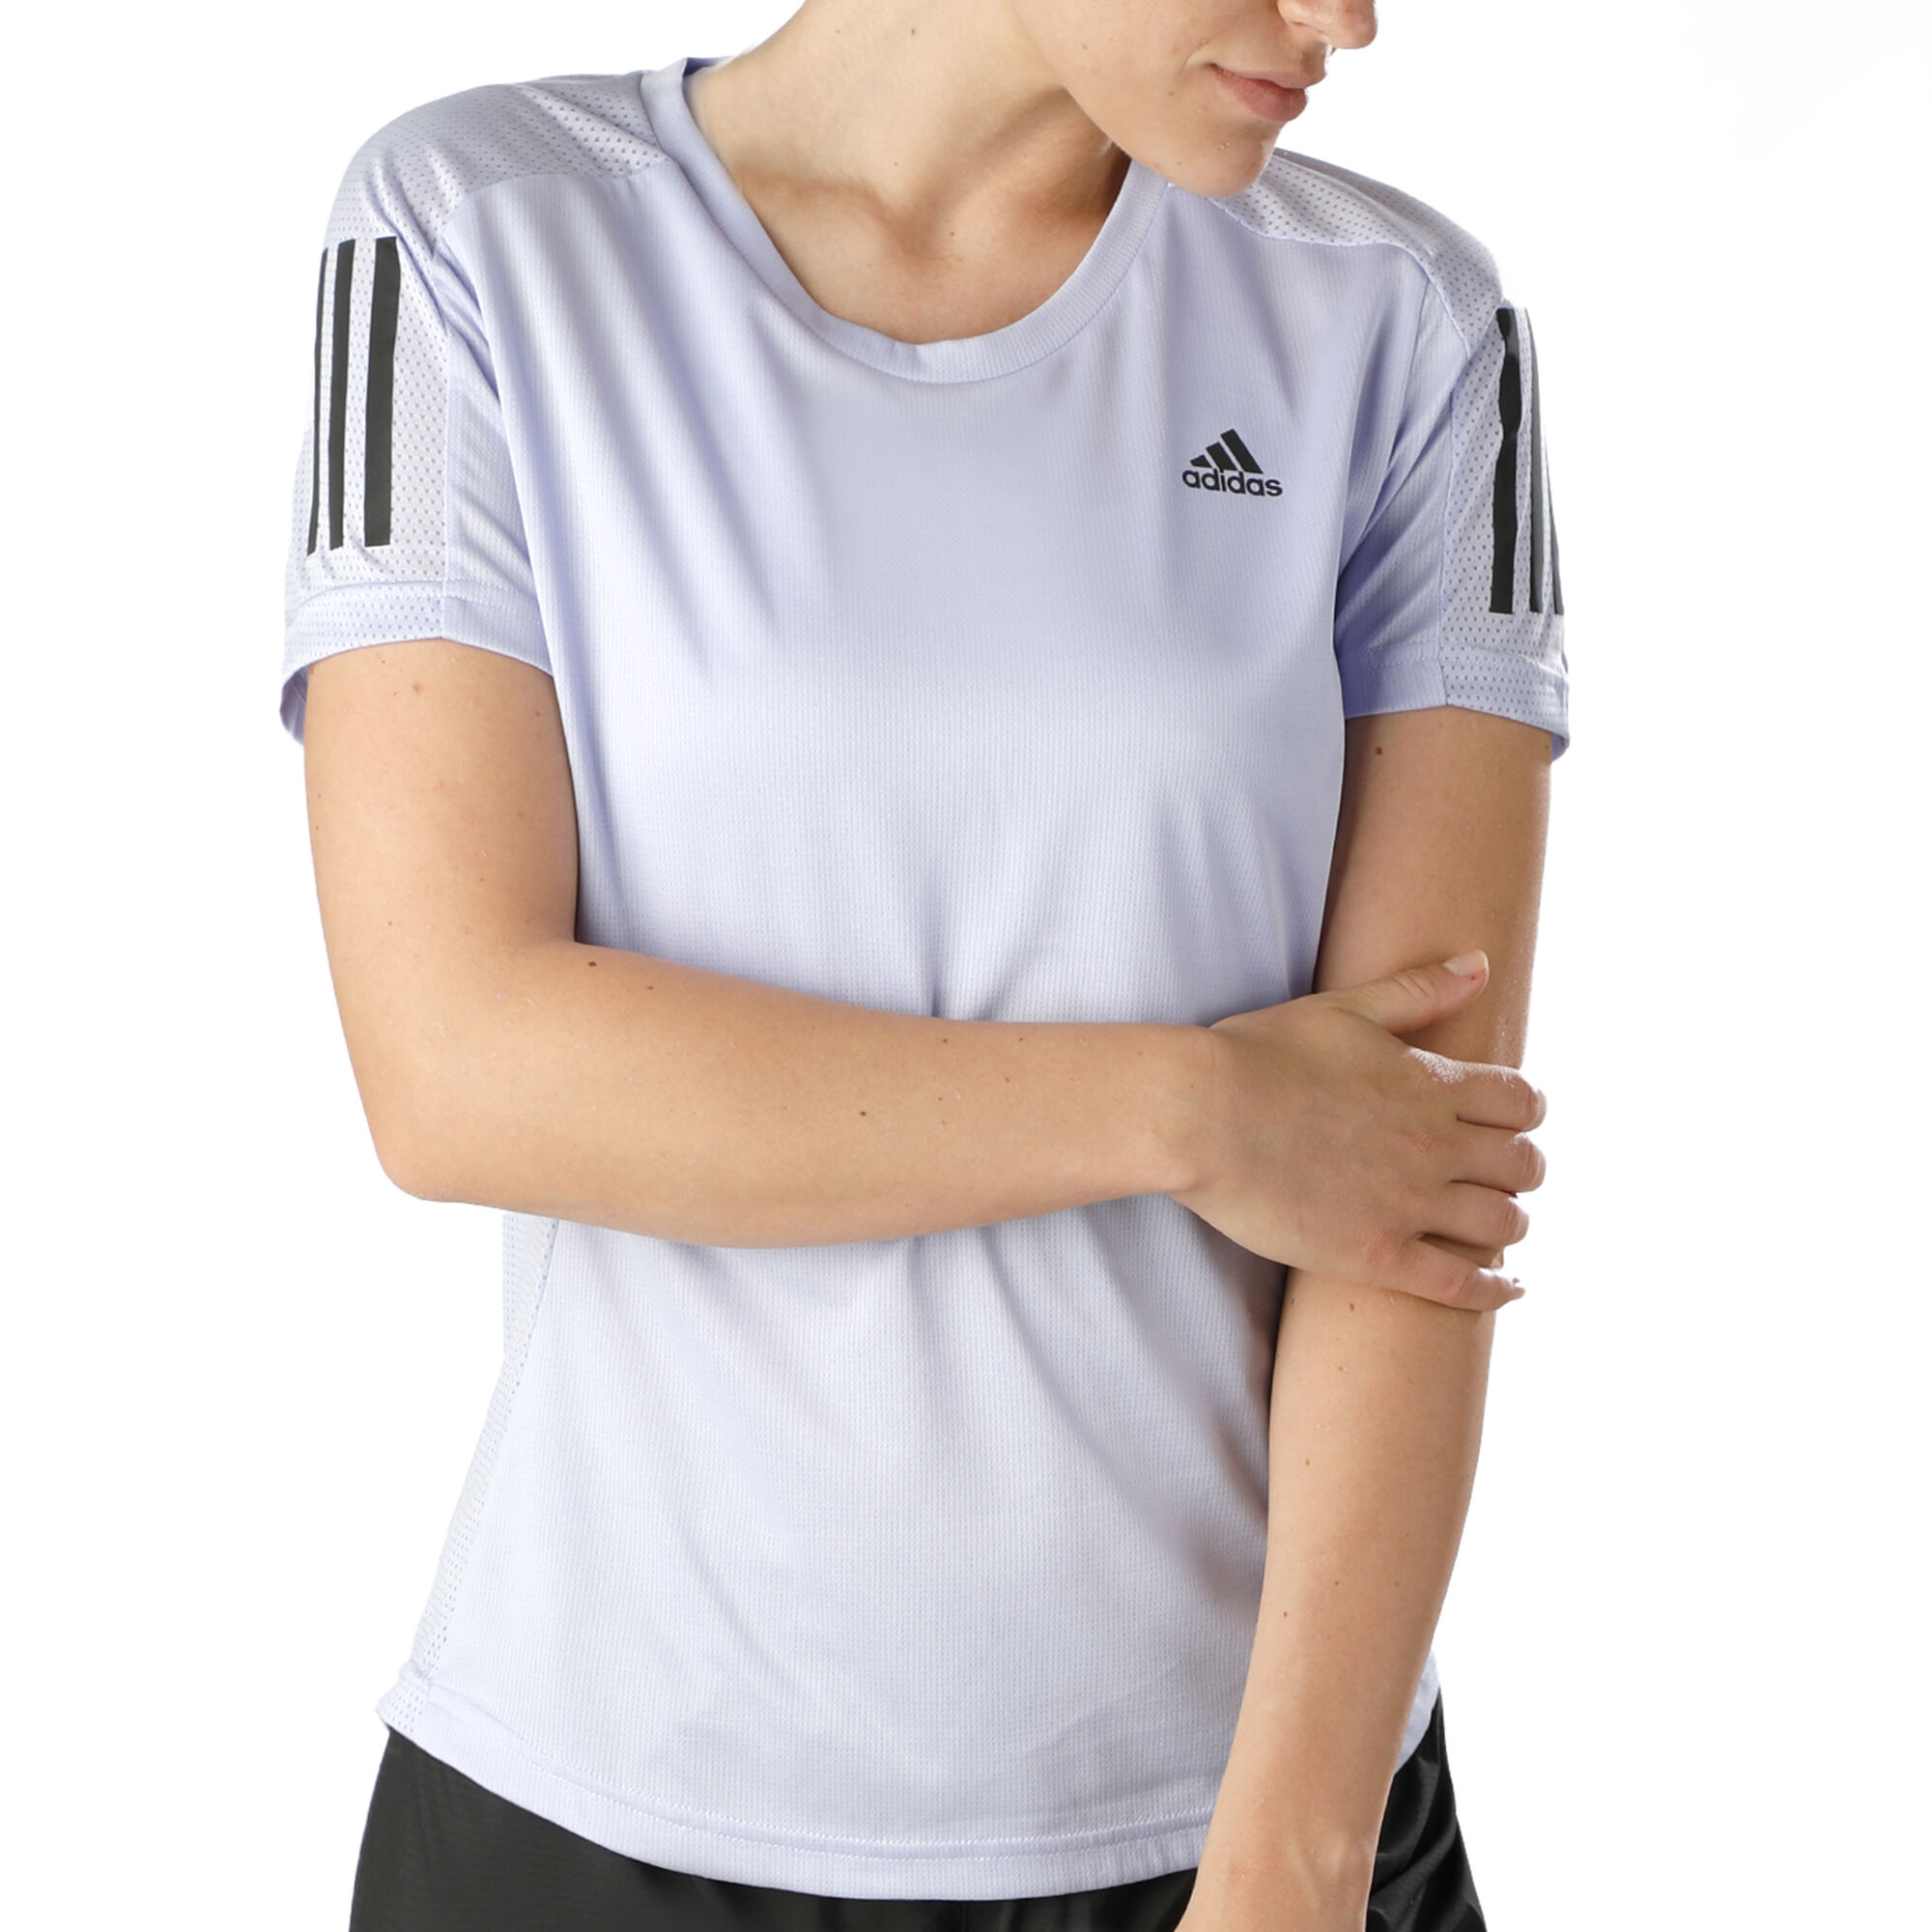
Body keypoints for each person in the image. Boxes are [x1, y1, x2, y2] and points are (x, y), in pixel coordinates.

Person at [282, 2, 1566, 1927]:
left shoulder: (1405, 323)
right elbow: (459, 1069)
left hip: (1245, 1829)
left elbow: (1413, 1171)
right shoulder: (481, 229)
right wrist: (1197, 1110)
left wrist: (1294, 1856)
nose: (1348, 17)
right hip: (597, 1810)